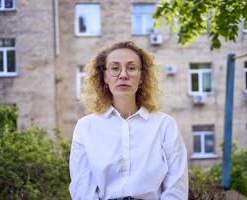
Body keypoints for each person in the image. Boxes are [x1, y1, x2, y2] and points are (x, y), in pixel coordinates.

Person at [69, 41, 188, 200]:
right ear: (104, 76)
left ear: (141, 77)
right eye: (115, 68)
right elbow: (82, 187)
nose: (123, 75)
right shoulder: (85, 127)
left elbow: (176, 186)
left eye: (131, 68)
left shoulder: (165, 125)